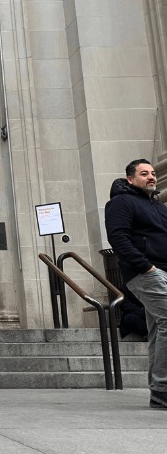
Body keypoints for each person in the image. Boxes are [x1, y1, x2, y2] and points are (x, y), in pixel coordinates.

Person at [104, 158, 167, 409]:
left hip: (162, 271)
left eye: (152, 173)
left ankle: (159, 391)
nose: (151, 177)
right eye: (144, 173)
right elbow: (118, 238)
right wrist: (145, 266)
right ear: (130, 178)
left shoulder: (158, 206)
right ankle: (163, 386)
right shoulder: (121, 202)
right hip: (147, 273)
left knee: (157, 329)